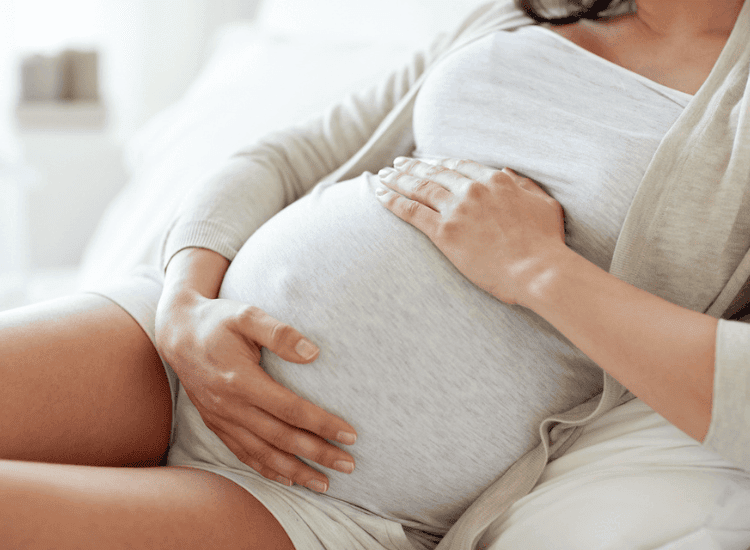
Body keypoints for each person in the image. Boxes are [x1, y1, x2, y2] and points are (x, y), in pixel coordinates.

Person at [1, 0, 749, 548]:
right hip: (170, 349)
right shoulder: (520, 17)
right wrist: (187, 300)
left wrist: (537, 269)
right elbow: (280, 158)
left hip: (320, 497)